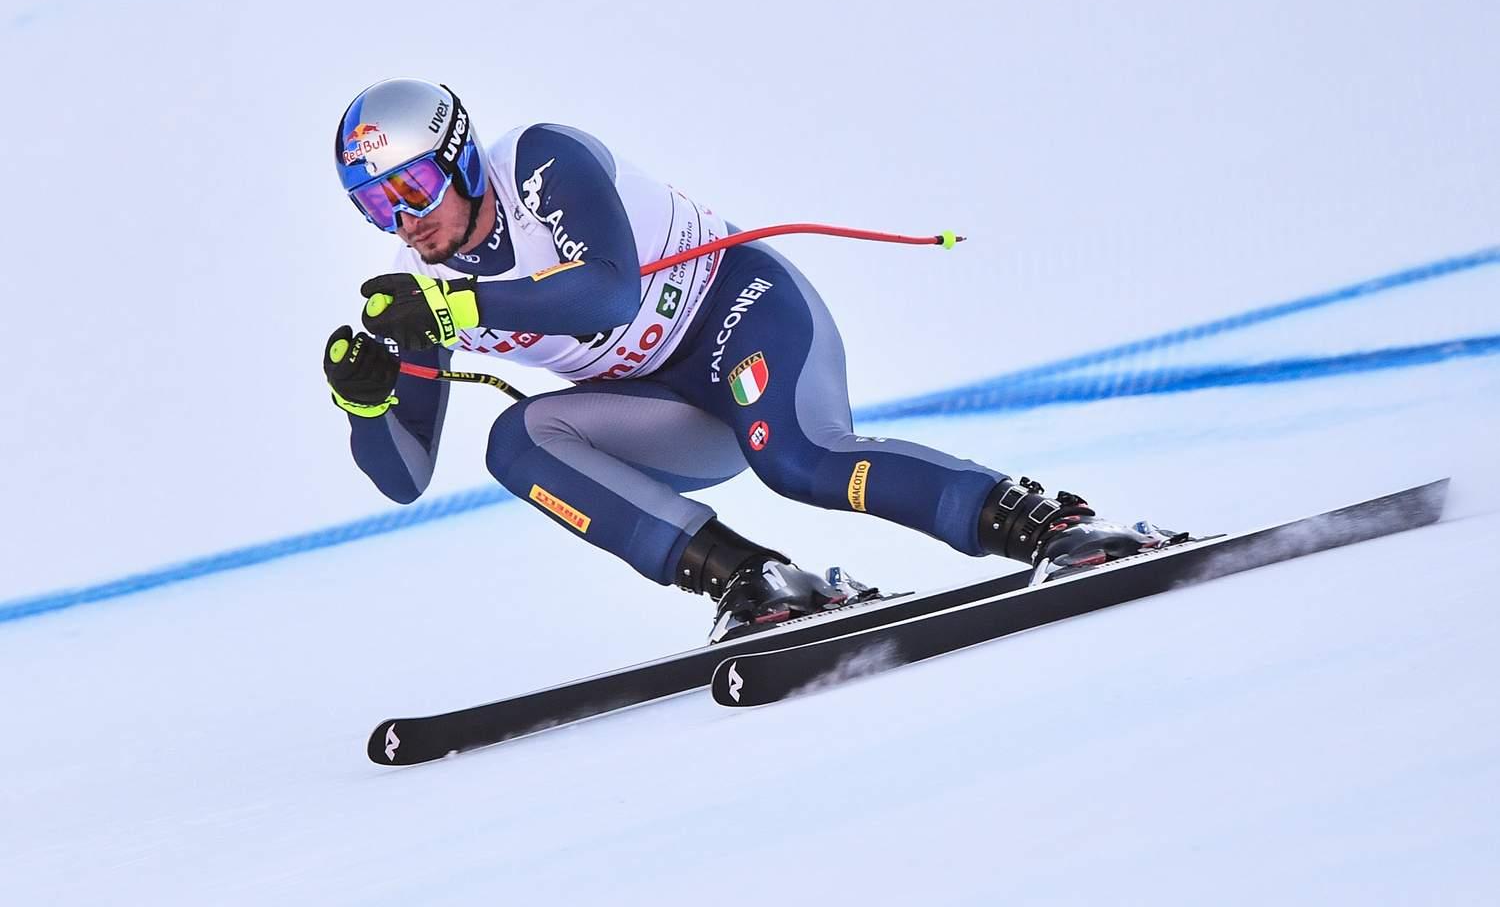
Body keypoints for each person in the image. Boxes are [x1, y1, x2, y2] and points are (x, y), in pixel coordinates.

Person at [324, 77, 1172, 642]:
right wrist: (367, 401)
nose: (403, 222)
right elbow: (404, 477)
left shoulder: (537, 159)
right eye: (374, 204)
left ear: (461, 158)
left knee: (799, 461)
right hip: (664, 406)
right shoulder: (423, 292)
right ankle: (758, 580)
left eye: (412, 189)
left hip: (739, 310)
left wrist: (457, 307)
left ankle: (1045, 522)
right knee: (514, 442)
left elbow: (610, 293)